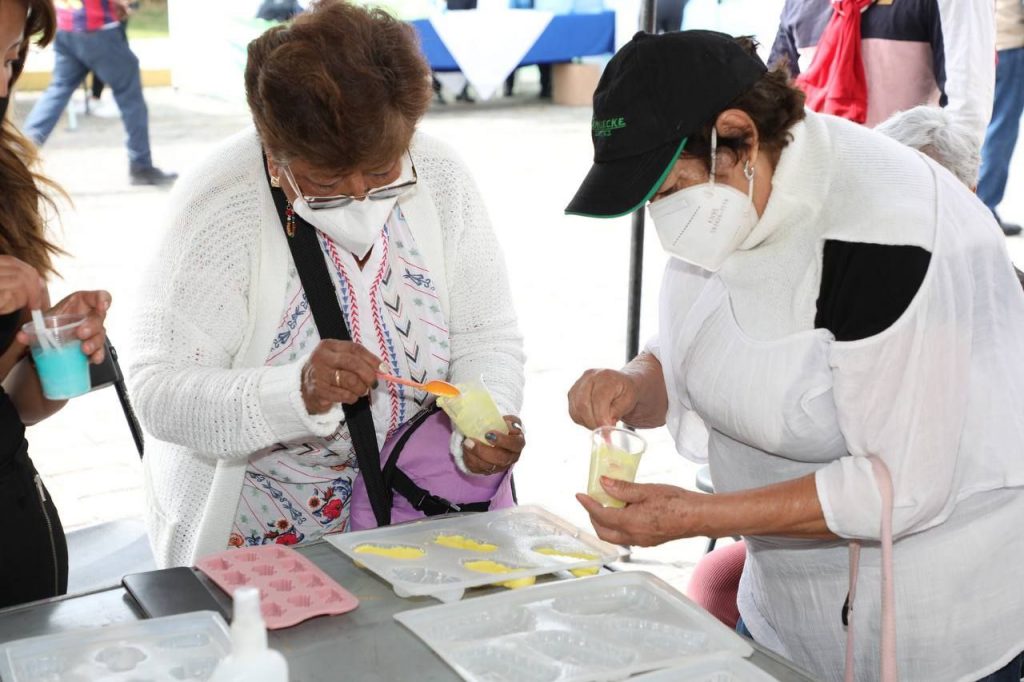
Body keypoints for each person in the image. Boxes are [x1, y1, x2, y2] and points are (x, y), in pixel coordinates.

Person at [566, 30, 1024, 681]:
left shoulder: (881, 234)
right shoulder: (728, 204)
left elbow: (898, 488)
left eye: (668, 189)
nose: (661, 214)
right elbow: (694, 348)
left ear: (738, 137)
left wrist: (697, 515)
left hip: (931, 618)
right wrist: (636, 383)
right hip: (784, 600)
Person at [129, 0, 525, 567]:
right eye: (328, 181)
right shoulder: (222, 205)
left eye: (384, 172)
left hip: (414, 522)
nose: (361, 196)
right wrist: (296, 392)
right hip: (260, 545)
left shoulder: (440, 176)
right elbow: (159, 393)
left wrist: (483, 427)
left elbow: (487, 334)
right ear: (275, 158)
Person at [0, 0, 112, 607]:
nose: (1, 82)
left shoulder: (7, 180)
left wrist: (48, 340)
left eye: (12, 57)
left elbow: (19, 407)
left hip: (18, 529)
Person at [21, 0, 176, 186]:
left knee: (56, 93)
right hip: (98, 29)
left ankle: (19, 155)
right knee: (130, 97)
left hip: (66, 27)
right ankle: (140, 165)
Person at [978, 0, 1024, 236]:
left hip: (986, 41)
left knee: (982, 124)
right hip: (1011, 42)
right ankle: (984, 208)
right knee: (1002, 129)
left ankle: (976, 207)